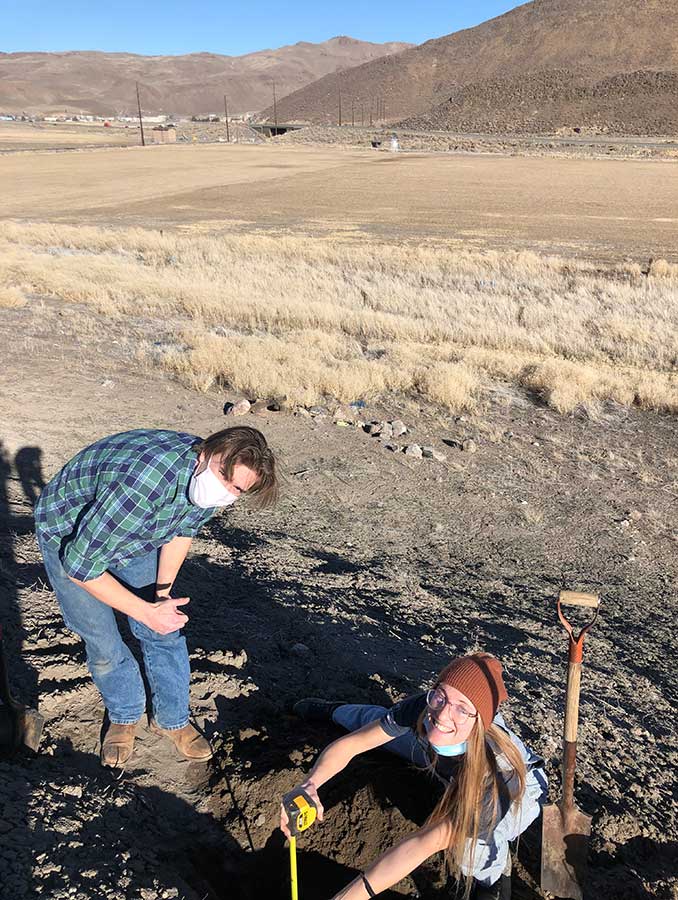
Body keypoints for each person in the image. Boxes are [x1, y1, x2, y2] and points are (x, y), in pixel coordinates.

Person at [35, 426, 278, 767]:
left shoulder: (208, 483)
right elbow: (80, 565)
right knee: (102, 637)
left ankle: (171, 719)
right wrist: (144, 611)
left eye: (236, 489)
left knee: (164, 627)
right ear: (205, 454)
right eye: (224, 479)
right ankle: (124, 713)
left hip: (134, 531)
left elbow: (182, 530)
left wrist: (160, 598)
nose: (225, 493)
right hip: (70, 534)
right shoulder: (146, 480)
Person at [281, 653, 547, 900]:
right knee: (374, 723)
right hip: (444, 754)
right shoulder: (430, 710)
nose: (442, 714)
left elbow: (423, 843)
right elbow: (351, 745)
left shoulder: (496, 772)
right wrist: (310, 783)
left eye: (462, 708)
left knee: (469, 848)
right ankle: (333, 710)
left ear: (480, 720)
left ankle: (495, 880)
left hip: (518, 792)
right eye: (440, 696)